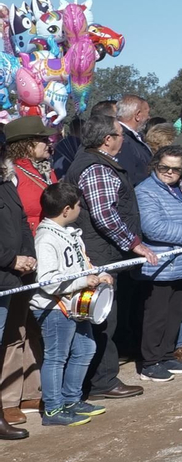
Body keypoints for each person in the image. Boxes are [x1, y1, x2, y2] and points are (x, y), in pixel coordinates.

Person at [63, 117, 155, 400]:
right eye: (119, 134)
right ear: (106, 139)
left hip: (101, 251)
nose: (123, 139)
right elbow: (105, 216)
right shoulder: (97, 167)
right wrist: (135, 244)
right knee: (102, 318)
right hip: (99, 254)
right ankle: (102, 381)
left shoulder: (93, 161)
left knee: (102, 318)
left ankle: (97, 379)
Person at [31, 181, 111, 427]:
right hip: (54, 308)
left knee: (85, 350)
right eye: (78, 206)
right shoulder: (45, 238)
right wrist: (82, 280)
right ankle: (53, 410)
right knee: (57, 357)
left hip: (76, 306)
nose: (80, 210)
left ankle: (71, 400)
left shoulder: (69, 232)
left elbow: (80, 264)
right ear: (66, 209)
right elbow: (46, 280)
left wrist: (99, 274)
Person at [133, 146, 182, 381]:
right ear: (155, 165)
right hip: (160, 265)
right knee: (157, 315)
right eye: (164, 167)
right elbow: (153, 227)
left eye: (175, 169)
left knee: (176, 312)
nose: (169, 172)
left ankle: (167, 354)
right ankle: (150, 362)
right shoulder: (145, 191)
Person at [0, 148, 39, 439]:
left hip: (9, 279)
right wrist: (10, 259)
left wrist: (27, 256)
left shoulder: (7, 183)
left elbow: (23, 222)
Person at [112, 96, 153, 186]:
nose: (149, 117)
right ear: (138, 115)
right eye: (147, 113)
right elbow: (128, 177)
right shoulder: (122, 139)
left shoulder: (133, 137)